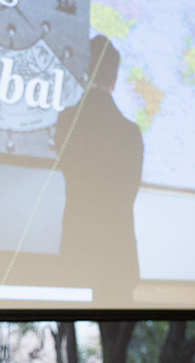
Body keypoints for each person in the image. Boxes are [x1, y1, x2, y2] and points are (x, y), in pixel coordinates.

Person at [54, 34, 144, 304]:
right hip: (118, 255)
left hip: (78, 249)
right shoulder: (131, 133)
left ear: (85, 72)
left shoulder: (66, 120)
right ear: (115, 78)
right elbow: (130, 193)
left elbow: (65, 166)